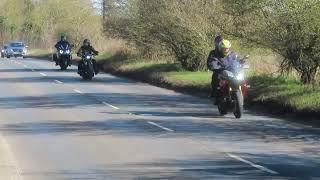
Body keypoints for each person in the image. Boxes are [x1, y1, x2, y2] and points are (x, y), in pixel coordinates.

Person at [207, 39, 237, 104]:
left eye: (227, 48)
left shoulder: (233, 54)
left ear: (229, 48)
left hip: (232, 71)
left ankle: (241, 94)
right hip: (221, 71)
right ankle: (215, 95)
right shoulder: (214, 53)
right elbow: (211, 62)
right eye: (224, 48)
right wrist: (215, 66)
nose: (226, 50)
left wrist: (242, 62)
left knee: (240, 78)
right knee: (216, 77)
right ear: (220, 47)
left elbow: (237, 61)